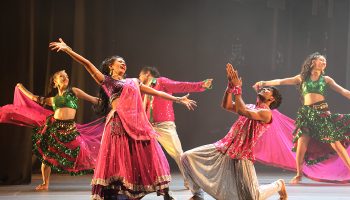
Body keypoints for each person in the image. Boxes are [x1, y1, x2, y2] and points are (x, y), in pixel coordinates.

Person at [49, 38, 197, 200]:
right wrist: (68, 49)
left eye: (124, 62)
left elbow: (156, 93)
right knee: (122, 160)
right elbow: (87, 64)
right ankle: (121, 192)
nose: (123, 64)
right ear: (110, 66)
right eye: (120, 62)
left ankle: (166, 193)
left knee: (151, 155)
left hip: (138, 124)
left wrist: (178, 99)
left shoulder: (133, 82)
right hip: (119, 125)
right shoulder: (107, 81)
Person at [181, 63, 287, 200]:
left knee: (252, 197)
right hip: (223, 147)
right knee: (186, 157)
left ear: (271, 99)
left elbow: (242, 110)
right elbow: (226, 105)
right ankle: (197, 195)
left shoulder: (267, 114)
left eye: (267, 90)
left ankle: (279, 185)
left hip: (242, 155)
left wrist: (237, 88)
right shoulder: (249, 106)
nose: (264, 89)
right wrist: (230, 88)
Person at [253, 52, 350, 184]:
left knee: (336, 144)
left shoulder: (326, 79)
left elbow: (343, 91)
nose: (323, 62)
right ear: (312, 63)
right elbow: (282, 81)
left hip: (322, 113)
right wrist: (265, 82)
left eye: (324, 61)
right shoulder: (302, 78)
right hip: (306, 114)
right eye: (320, 60)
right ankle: (299, 174)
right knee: (302, 144)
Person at [2, 70, 104, 191]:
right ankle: (45, 183)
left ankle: (101, 181)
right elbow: (34, 98)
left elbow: (93, 99)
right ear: (55, 82)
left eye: (66, 76)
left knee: (85, 154)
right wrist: (22, 88)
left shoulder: (74, 92)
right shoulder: (53, 99)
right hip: (54, 129)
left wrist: (110, 102)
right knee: (47, 157)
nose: (65, 77)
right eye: (61, 76)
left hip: (70, 130)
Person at [138, 66, 212, 186]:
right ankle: (143, 182)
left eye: (140, 75)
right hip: (148, 127)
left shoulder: (161, 82)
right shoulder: (143, 90)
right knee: (142, 154)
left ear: (147, 74)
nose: (139, 78)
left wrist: (201, 85)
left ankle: (191, 181)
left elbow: (180, 85)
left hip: (164, 125)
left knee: (178, 154)